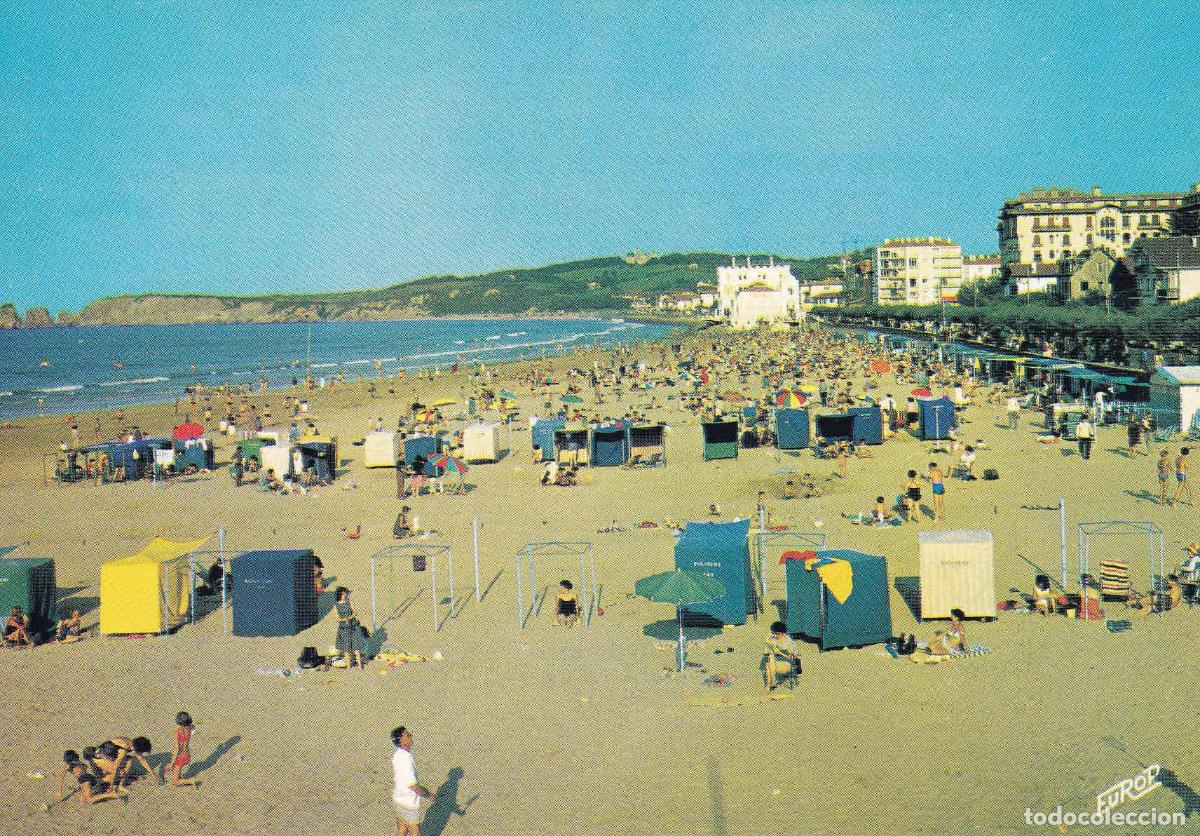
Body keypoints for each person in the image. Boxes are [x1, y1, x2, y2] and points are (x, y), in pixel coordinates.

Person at [391, 726, 435, 836]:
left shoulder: (397, 754)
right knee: (416, 833)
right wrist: (428, 795)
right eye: (407, 734)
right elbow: (414, 786)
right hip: (408, 803)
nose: (411, 735)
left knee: (402, 829)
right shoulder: (406, 760)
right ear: (401, 741)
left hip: (398, 798)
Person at [763, 621, 801, 691]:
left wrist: (790, 654)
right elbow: (766, 652)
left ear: (783, 633)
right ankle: (770, 684)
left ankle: (769, 685)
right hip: (775, 661)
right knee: (769, 660)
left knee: (768, 666)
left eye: (777, 634)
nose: (775, 635)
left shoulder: (789, 641)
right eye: (773, 633)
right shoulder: (772, 639)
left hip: (786, 662)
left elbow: (796, 655)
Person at [334, 587, 365, 669]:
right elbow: (336, 617)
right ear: (339, 595)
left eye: (345, 594)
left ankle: (360, 666)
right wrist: (344, 619)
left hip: (353, 626)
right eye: (342, 594)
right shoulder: (336, 605)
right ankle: (348, 666)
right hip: (343, 627)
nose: (344, 595)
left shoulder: (350, 602)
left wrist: (349, 617)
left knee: (356, 647)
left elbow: (355, 612)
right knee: (346, 648)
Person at [168, 711, 197, 786]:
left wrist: (171, 763)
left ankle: (191, 781)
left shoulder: (177, 732)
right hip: (187, 755)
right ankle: (180, 778)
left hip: (180, 757)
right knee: (176, 772)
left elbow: (177, 749)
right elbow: (193, 727)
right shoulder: (190, 728)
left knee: (175, 782)